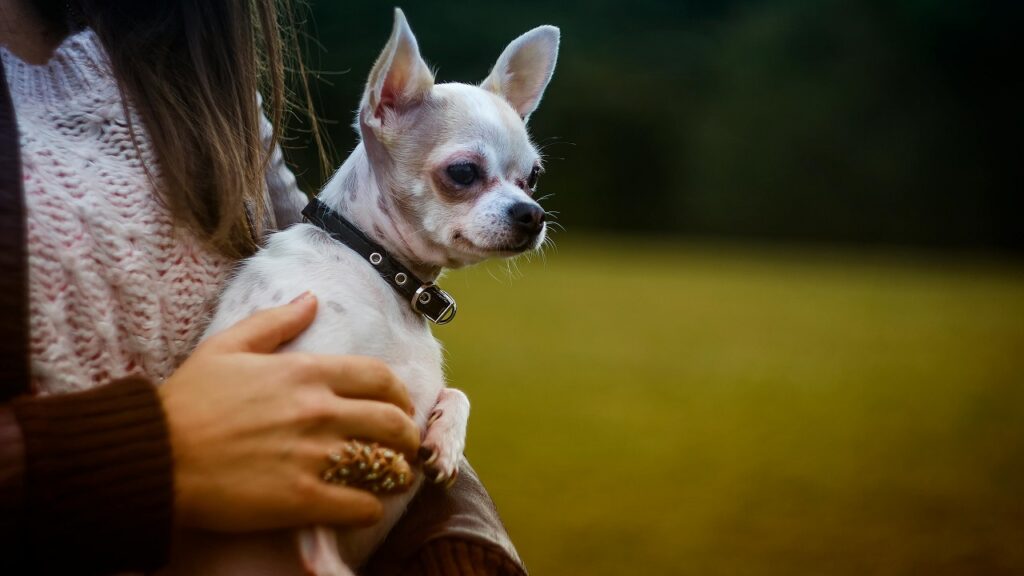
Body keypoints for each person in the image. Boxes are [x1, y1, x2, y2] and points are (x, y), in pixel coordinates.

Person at [0, 0, 525, 574]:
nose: (522, 203)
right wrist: (150, 451)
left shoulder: (198, 69)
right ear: (386, 107)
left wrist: (460, 547)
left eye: (529, 178)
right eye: (463, 175)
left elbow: (356, 262)